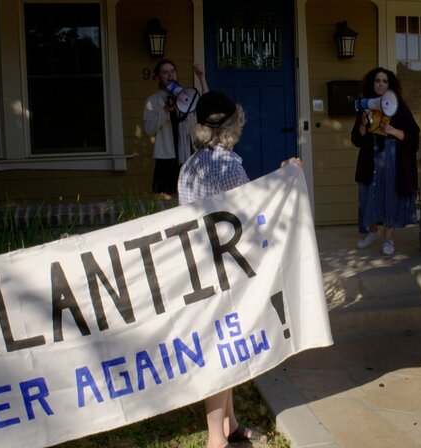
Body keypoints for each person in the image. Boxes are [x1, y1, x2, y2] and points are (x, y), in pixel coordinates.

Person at [179, 91, 275, 448]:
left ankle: (230, 426)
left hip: (198, 267)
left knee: (227, 345)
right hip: (223, 267)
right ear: (234, 125)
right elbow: (248, 213)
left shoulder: (190, 165)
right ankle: (214, 440)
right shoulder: (229, 165)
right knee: (222, 350)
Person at [351, 68, 420, 255]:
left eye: (384, 81)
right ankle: (372, 232)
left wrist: (393, 131)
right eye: (377, 81)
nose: (380, 84)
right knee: (369, 195)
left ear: (390, 85)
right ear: (372, 84)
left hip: (393, 160)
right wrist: (363, 125)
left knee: (391, 197)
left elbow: (414, 136)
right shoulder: (367, 106)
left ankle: (388, 240)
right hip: (370, 159)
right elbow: (356, 139)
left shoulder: (400, 107)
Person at [144, 59, 209, 200]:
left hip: (188, 156)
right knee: (165, 201)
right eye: (165, 72)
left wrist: (202, 78)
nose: (170, 75)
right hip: (166, 159)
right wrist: (166, 110)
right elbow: (149, 129)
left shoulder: (187, 96)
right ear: (157, 77)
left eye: (172, 71)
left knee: (194, 199)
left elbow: (207, 106)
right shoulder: (152, 101)